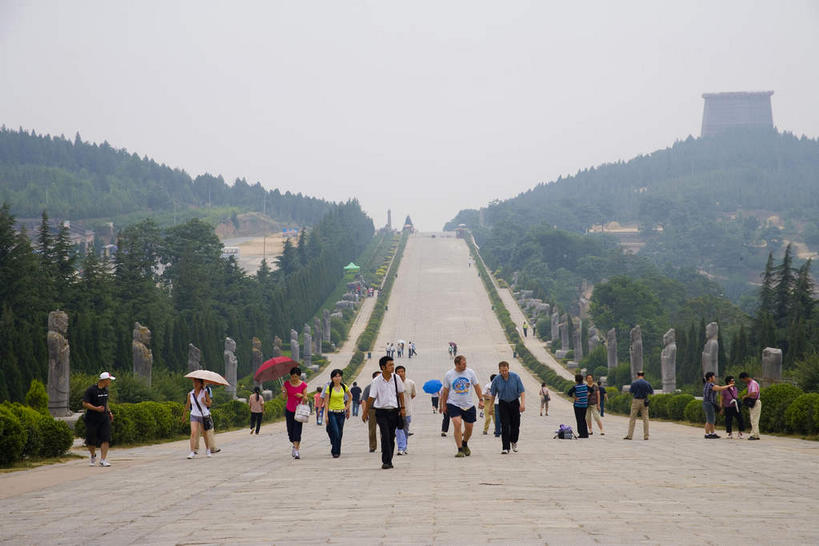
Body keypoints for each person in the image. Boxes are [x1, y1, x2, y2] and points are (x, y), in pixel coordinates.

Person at [363, 356, 406, 469]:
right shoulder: (376, 381)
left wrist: (403, 408)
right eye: (390, 365)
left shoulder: (396, 378)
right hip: (381, 412)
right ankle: (385, 461)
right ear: (383, 367)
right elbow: (371, 398)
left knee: (391, 437)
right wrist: (365, 412)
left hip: (394, 412)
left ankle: (389, 459)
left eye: (393, 364)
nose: (392, 367)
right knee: (385, 436)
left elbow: (401, 393)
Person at [440, 355, 484, 458]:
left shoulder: (470, 372)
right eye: (463, 364)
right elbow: (445, 391)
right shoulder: (449, 374)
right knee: (457, 423)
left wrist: (481, 400)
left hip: (468, 404)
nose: (465, 365)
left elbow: (477, 387)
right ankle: (459, 449)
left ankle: (464, 443)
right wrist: (444, 405)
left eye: (465, 363)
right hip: (454, 403)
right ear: (457, 364)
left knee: (469, 429)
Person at [489, 361, 526, 454]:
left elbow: (522, 391)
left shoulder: (515, 377)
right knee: (505, 425)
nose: (504, 372)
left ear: (508, 369)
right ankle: (505, 447)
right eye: (502, 371)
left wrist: (522, 403)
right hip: (503, 403)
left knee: (515, 424)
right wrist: (490, 407)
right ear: (499, 370)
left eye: (505, 370)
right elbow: (493, 394)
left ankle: (514, 441)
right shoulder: (496, 380)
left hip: (514, 402)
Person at [82, 372, 115, 467]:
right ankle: (93, 455)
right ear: (104, 380)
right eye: (109, 380)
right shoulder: (91, 390)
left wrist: (109, 412)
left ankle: (103, 460)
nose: (110, 382)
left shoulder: (106, 390)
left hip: (104, 418)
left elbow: (106, 403)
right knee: (91, 440)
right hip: (92, 418)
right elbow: (84, 403)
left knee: (106, 438)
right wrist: (96, 408)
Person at [321, 369, 351, 458]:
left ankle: (337, 451)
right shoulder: (329, 388)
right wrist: (326, 415)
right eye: (335, 376)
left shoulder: (344, 386)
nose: (337, 378)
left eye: (339, 376)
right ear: (332, 378)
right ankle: (335, 449)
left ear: (341, 377)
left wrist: (347, 407)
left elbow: (350, 396)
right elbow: (326, 402)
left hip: (341, 413)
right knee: (335, 432)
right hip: (332, 412)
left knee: (340, 433)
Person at [281, 367, 308, 459]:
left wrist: (301, 396)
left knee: (297, 430)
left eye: (296, 376)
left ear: (299, 376)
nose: (294, 378)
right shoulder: (287, 384)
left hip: (299, 410)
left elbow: (306, 398)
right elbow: (284, 398)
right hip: (289, 410)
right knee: (290, 432)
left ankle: (296, 450)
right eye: (292, 376)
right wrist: (284, 391)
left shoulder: (303, 385)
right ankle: (294, 445)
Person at [185, 378, 213, 459]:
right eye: (194, 382)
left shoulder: (205, 393)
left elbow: (209, 404)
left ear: (201, 384)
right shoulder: (190, 394)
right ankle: (192, 452)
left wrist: (205, 402)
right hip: (194, 415)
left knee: (205, 434)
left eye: (197, 382)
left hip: (203, 415)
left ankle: (208, 450)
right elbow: (187, 405)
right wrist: (184, 415)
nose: (195, 384)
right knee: (193, 432)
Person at [702, 372, 734, 439]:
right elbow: (719, 388)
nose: (715, 378)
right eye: (714, 377)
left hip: (707, 403)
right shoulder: (710, 385)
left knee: (710, 419)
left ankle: (712, 433)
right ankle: (708, 434)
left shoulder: (707, 384)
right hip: (709, 404)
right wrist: (729, 386)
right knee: (710, 419)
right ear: (710, 378)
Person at [624, 371, 653, 440]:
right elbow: (651, 392)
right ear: (643, 375)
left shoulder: (634, 383)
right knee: (645, 419)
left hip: (636, 401)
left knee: (632, 418)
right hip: (644, 401)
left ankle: (630, 435)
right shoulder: (647, 383)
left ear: (637, 375)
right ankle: (646, 436)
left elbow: (631, 392)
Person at [395, 365, 416, 455]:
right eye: (398, 372)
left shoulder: (411, 383)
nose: (400, 373)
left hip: (407, 410)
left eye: (402, 371)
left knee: (405, 430)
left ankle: (405, 446)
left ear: (404, 372)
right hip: (395, 411)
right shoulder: (393, 383)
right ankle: (401, 447)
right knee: (398, 429)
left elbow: (413, 395)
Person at [361, 371, 381, 452]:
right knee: (372, 429)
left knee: (384, 429)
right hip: (372, 410)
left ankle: (385, 445)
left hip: (382, 410)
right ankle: (372, 446)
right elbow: (364, 400)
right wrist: (364, 412)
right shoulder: (368, 388)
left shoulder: (385, 386)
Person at [721, 375, 745, 439]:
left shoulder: (735, 388)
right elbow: (722, 399)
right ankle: (729, 433)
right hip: (728, 407)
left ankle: (740, 433)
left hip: (736, 406)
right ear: (728, 382)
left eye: (734, 380)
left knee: (740, 419)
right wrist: (721, 407)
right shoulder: (724, 389)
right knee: (728, 420)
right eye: (732, 381)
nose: (734, 382)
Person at [740, 372, 762, 440]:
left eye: (743, 380)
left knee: (754, 419)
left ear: (745, 378)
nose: (743, 382)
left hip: (755, 402)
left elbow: (754, 393)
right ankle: (756, 434)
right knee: (753, 419)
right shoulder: (749, 384)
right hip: (752, 402)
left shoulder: (753, 383)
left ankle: (754, 435)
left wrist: (746, 396)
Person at [567, 374, 589, 438]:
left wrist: (574, 397)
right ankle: (585, 434)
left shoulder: (575, 387)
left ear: (576, 380)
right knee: (583, 419)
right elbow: (592, 390)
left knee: (579, 420)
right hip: (584, 405)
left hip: (578, 405)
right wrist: (586, 395)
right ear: (582, 379)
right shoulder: (586, 386)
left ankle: (581, 434)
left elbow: (569, 393)